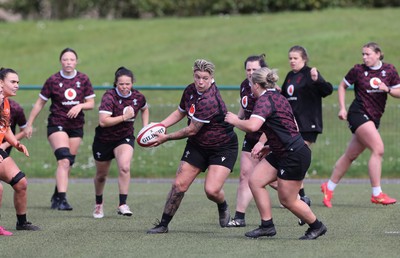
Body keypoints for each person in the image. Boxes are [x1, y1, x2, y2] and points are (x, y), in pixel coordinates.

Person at [225, 67, 327, 240]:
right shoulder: (278, 97)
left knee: (288, 200)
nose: (250, 89)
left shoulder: (265, 100)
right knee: (255, 181)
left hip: (293, 154)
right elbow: (287, 126)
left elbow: (253, 126)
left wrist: (235, 120)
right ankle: (267, 226)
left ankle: (317, 226)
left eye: (251, 85)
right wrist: (270, 146)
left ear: (256, 85)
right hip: (282, 151)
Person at [146, 59, 238, 234]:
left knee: (211, 190)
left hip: (222, 147)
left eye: (205, 78)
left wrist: (166, 137)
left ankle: (222, 204)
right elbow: (181, 111)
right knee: (179, 185)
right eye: (197, 77)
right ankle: (163, 225)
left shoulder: (210, 100)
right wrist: (160, 126)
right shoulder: (190, 90)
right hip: (198, 146)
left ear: (212, 78)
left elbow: (191, 130)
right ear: (193, 75)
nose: (201, 82)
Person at [321, 42, 400, 208]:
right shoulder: (358, 70)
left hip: (374, 118)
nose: (364, 57)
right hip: (357, 114)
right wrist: (342, 108)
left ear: (378, 54)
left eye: (368, 54)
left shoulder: (390, 70)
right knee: (378, 149)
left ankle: (328, 187)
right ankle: (377, 193)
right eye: (363, 54)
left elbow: (398, 92)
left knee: (351, 155)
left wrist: (388, 90)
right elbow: (342, 86)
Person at [25, 48, 95, 211]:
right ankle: (62, 200)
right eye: (65, 59)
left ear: (76, 61)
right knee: (63, 160)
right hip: (57, 124)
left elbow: (91, 103)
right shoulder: (53, 80)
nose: (68, 62)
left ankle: (56, 195)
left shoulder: (83, 79)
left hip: (76, 126)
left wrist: (80, 105)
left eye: (71, 59)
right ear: (60, 61)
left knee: (68, 163)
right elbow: (40, 103)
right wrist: (29, 123)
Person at [280, 45, 333, 224]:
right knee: (290, 158)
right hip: (292, 125)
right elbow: (283, 97)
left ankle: (300, 197)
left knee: (295, 156)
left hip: (307, 125)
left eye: (295, 58)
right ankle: (300, 197)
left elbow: (327, 90)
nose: (292, 61)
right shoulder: (289, 76)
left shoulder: (311, 73)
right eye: (290, 58)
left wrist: (318, 80)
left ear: (304, 59)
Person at [92, 67, 149, 219]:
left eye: (128, 84)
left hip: (124, 138)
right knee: (101, 176)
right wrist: (125, 117)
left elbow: (144, 108)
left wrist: (145, 127)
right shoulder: (109, 97)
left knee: (124, 167)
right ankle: (98, 204)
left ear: (132, 83)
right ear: (116, 83)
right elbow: (103, 122)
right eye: (121, 84)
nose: (124, 87)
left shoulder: (138, 97)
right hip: (104, 140)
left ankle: (122, 204)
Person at [227, 54, 268, 227]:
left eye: (255, 69)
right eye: (248, 69)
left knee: (274, 180)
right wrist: (235, 120)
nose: (251, 73)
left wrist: (262, 142)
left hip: (267, 138)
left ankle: (300, 202)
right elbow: (244, 109)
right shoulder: (244, 86)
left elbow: (274, 120)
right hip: (250, 136)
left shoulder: (268, 90)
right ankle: (239, 217)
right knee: (245, 175)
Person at [0, 67, 40, 231]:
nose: (17, 85)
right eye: (13, 82)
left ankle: (22, 223)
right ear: (1, 83)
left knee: (21, 183)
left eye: (18, 82)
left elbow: (6, 128)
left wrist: (16, 144)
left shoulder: (6, 102)